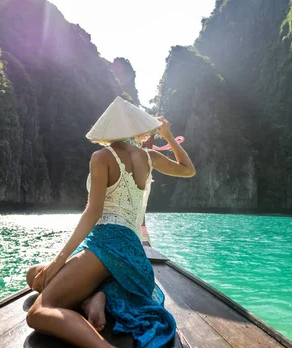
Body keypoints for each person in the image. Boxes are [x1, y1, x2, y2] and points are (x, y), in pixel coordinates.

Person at [25, 96, 196, 348]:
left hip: (107, 244)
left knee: (38, 313)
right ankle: (97, 296)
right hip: (133, 254)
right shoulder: (149, 157)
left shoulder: (102, 157)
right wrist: (167, 136)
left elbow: (93, 213)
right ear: (134, 127)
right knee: (34, 275)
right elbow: (188, 169)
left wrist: (58, 261)